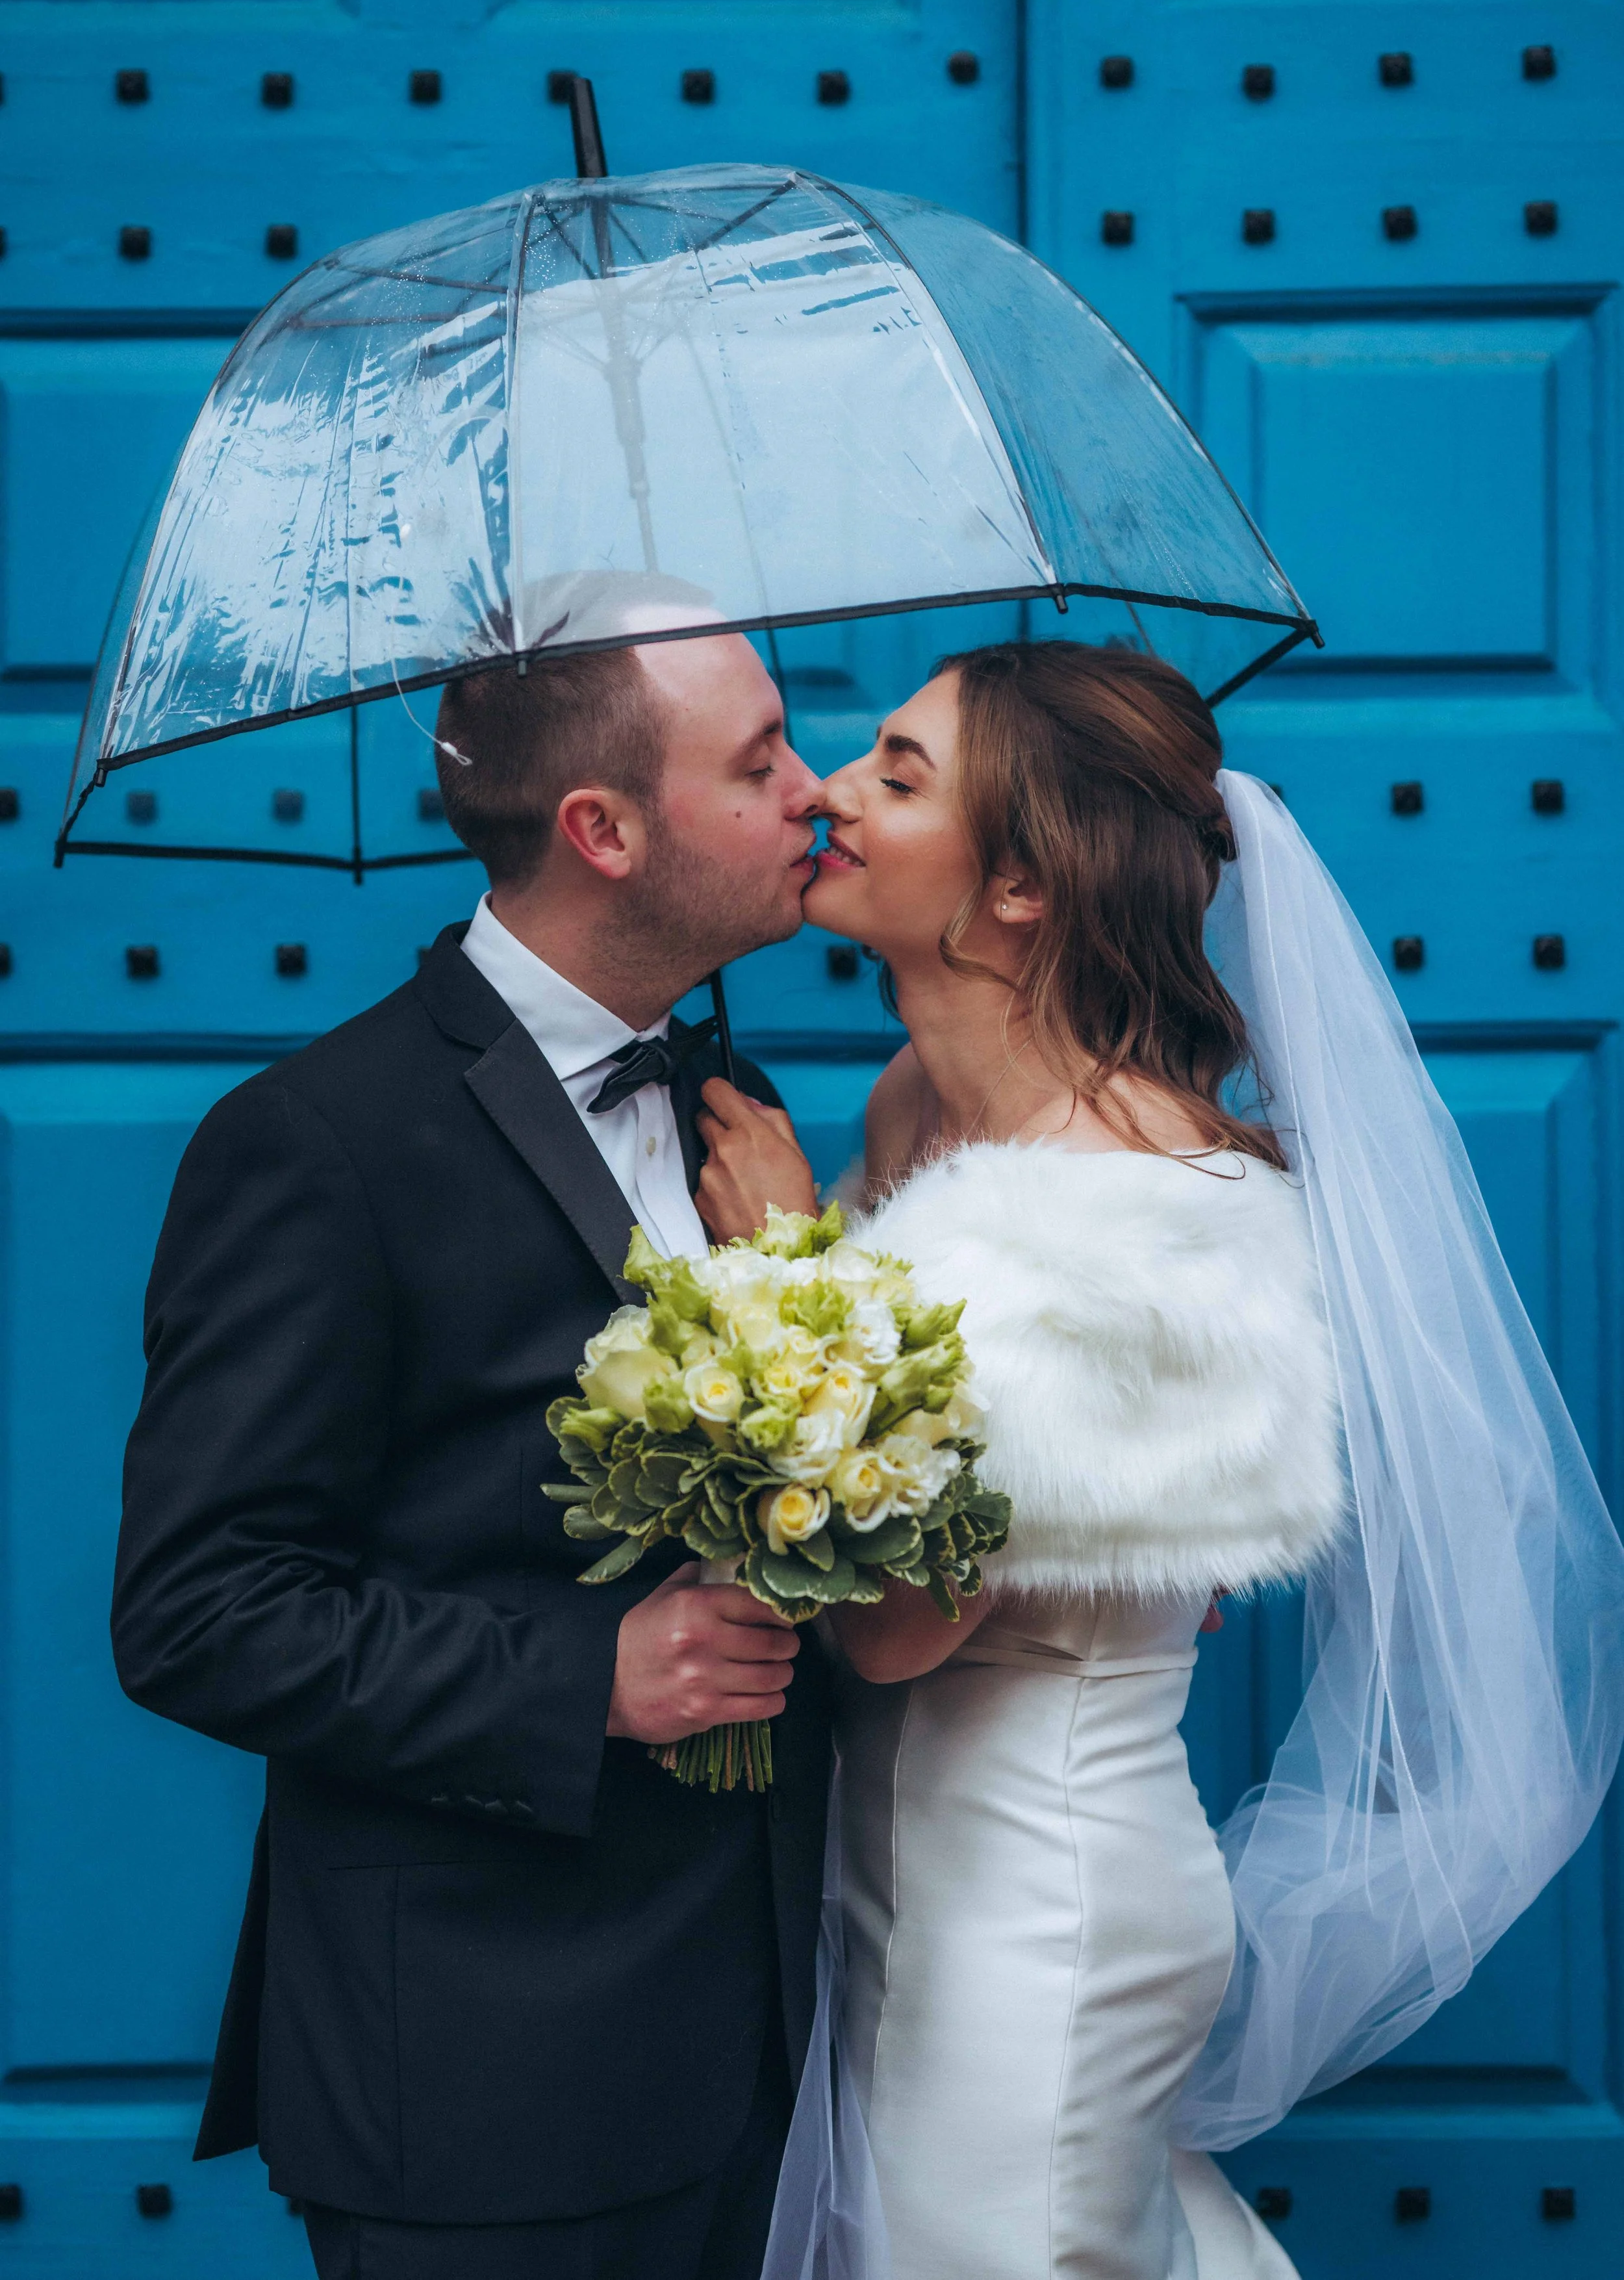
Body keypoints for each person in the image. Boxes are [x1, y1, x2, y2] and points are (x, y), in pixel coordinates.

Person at [698, 639, 1624, 2280]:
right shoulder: (923, 1109)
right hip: (909, 1876)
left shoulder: (1111, 1213)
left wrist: (779, 1281)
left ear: (1018, 894)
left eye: (900, 777)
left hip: (1028, 1914)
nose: (832, 791)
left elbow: (896, 1626)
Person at [110, 574, 830, 2280]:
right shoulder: (316, 1141)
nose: (812, 788)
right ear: (603, 827)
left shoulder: (744, 1109)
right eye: (758, 762)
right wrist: (587, 1677)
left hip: (764, 2044)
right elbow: (196, 1613)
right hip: (483, 2088)